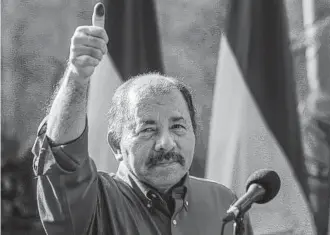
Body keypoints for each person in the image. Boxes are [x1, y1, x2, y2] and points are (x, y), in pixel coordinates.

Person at [32, 3, 253, 235]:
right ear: (116, 144)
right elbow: (62, 156)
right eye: (147, 129)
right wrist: (77, 76)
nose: (166, 143)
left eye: (177, 126)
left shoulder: (225, 203)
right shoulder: (96, 202)